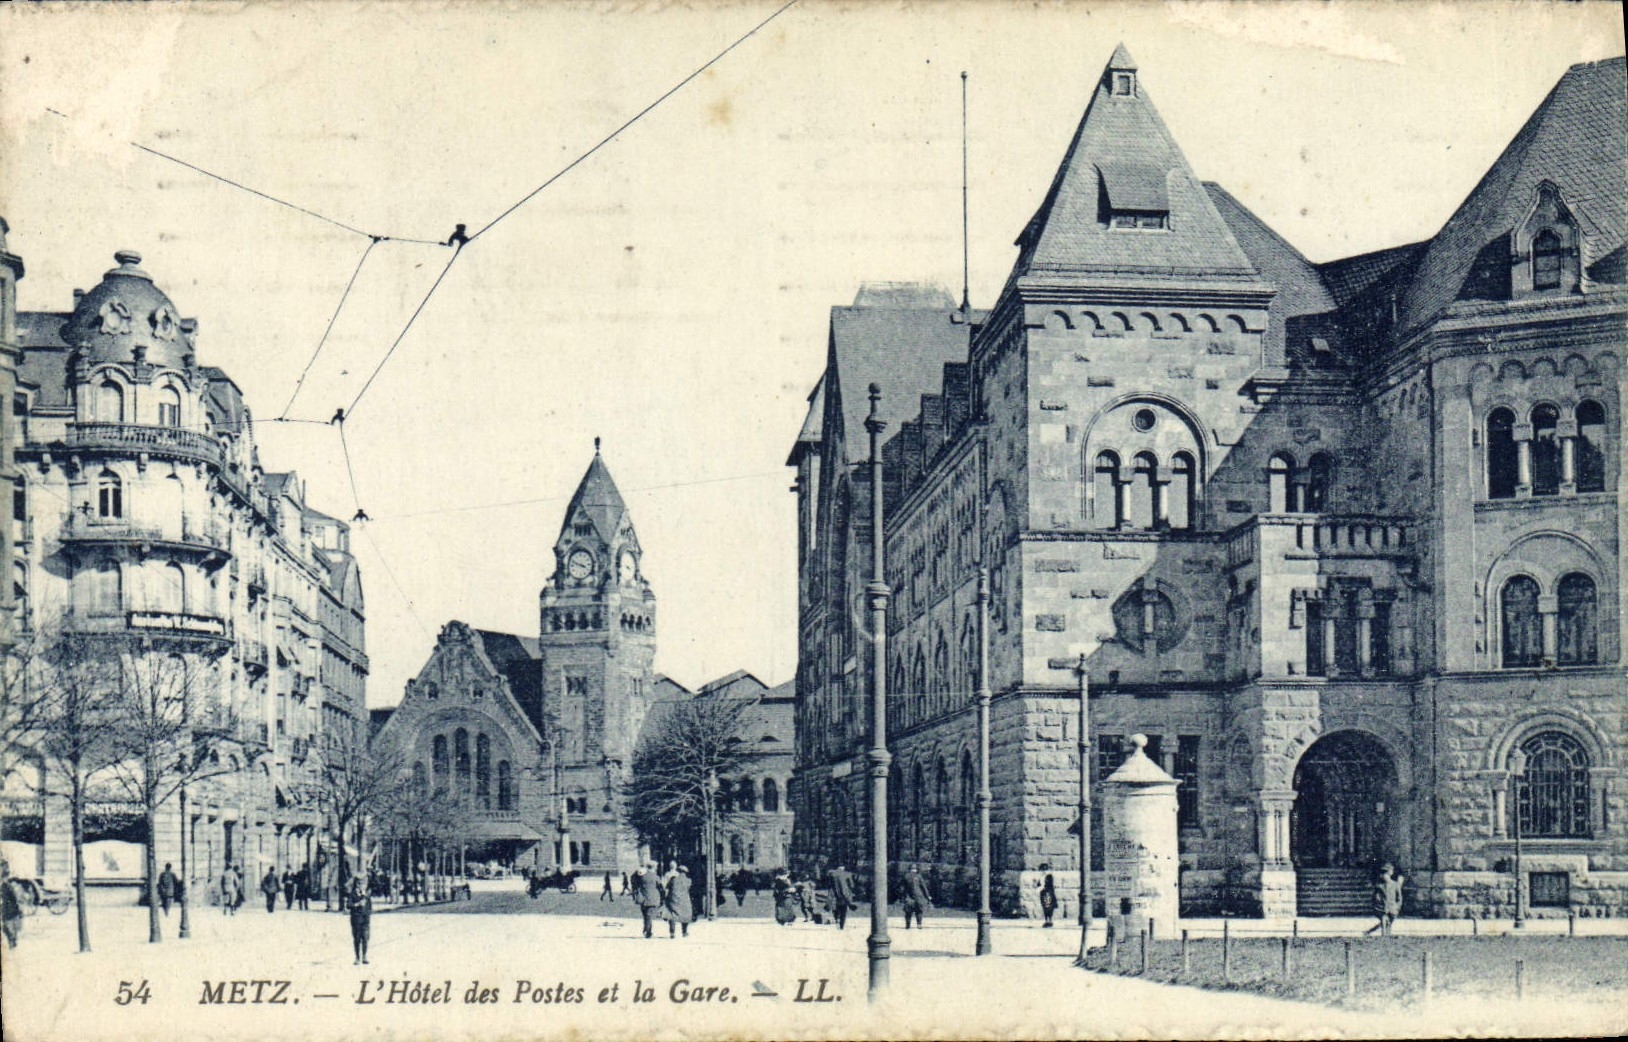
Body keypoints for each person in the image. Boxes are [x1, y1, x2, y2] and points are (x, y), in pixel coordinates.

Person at [1366, 863, 1406, 937]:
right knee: (1384, 920)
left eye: (1386, 875)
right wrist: (1377, 901)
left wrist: (1397, 907)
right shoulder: (1379, 886)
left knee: (1388, 922)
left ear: (1389, 875)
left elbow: (1399, 897)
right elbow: (1375, 896)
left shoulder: (1395, 884)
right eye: (1383, 875)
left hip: (1393, 908)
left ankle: (1372, 932)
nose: (1384, 877)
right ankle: (1384, 935)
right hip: (1382, 908)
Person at [632, 864, 664, 939]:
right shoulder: (655, 876)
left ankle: (648, 931)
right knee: (649, 915)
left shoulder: (641, 876)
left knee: (645, 916)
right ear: (653, 867)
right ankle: (647, 930)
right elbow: (661, 887)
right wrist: (662, 897)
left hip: (643, 899)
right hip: (653, 898)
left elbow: (635, 882)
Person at [663, 864, 694, 938]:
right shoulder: (688, 881)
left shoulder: (673, 879)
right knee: (685, 915)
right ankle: (684, 932)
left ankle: (672, 932)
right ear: (686, 872)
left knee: (672, 915)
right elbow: (690, 889)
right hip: (684, 900)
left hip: (674, 899)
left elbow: (667, 888)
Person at [348, 880, 373, 965]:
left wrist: (367, 914)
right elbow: (349, 905)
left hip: (365, 920)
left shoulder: (366, 895)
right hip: (356, 920)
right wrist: (357, 904)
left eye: (363, 884)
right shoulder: (352, 895)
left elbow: (370, 907)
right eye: (359, 884)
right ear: (356, 885)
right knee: (357, 939)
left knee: (365, 938)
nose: (361, 886)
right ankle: (357, 957)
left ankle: (365, 956)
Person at [1, 860, 23, 949]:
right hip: (8, 906)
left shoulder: (7, 885)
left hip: (8, 906)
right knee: (8, 923)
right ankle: (12, 938)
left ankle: (12, 938)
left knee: (8, 923)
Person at [827, 864, 854, 930]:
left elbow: (829, 884)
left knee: (835, 907)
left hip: (834, 893)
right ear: (843, 867)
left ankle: (836, 919)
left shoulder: (831, 873)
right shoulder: (847, 874)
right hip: (844, 894)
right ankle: (841, 925)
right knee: (843, 909)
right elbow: (852, 885)